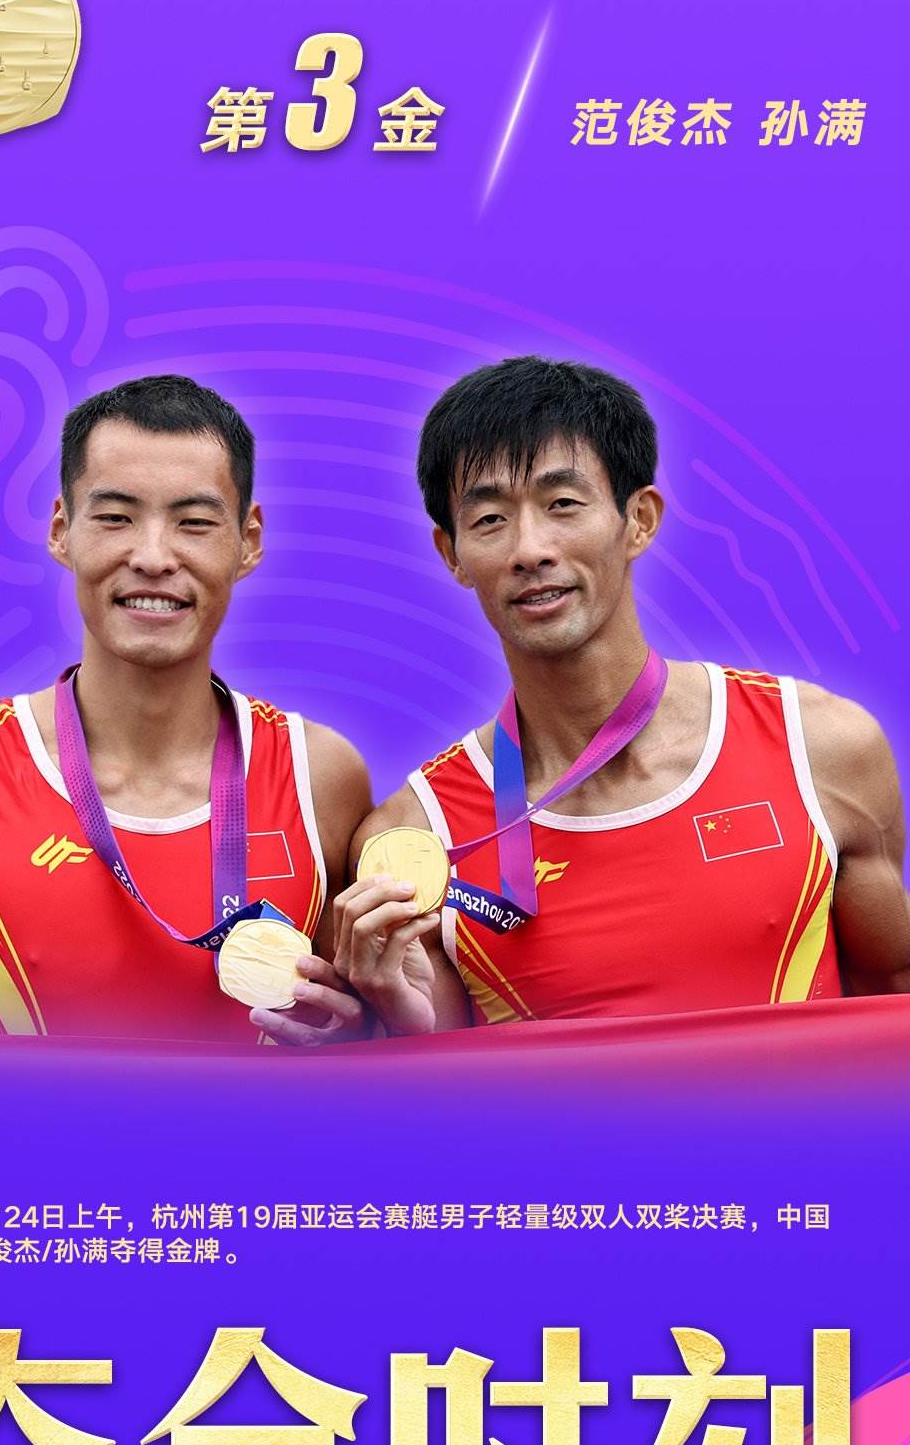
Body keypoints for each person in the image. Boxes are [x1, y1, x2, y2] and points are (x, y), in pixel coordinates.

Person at [335, 356, 910, 1035]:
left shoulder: (819, 748)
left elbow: (893, 1002)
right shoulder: (416, 837)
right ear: (451, 553)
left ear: (639, 519)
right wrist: (401, 1025)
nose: (529, 549)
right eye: (489, 519)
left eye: (563, 504)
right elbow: (450, 1079)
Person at [0, 374, 371, 1043]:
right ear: (62, 530)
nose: (153, 557)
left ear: (248, 540)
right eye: (115, 517)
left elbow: (362, 1035)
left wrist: (360, 1040)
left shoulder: (321, 776)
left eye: (195, 523)